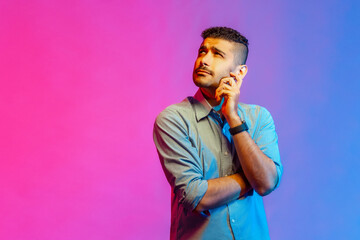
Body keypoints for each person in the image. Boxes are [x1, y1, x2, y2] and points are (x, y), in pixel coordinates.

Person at [153, 26, 283, 240]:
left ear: (240, 72)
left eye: (217, 54)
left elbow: (267, 183)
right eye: (202, 51)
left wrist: (233, 118)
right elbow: (196, 196)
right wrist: (252, 178)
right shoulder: (173, 120)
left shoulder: (260, 118)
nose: (203, 60)